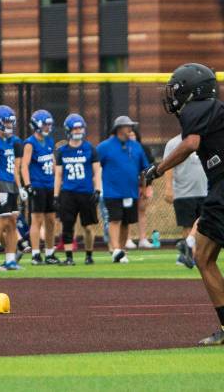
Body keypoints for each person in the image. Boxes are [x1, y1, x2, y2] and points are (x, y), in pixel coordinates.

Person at [144, 63, 224, 345]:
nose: (173, 96)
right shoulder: (215, 109)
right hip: (218, 188)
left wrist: (159, 169)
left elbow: (190, 143)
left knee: (203, 258)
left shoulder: (196, 108)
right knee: (203, 255)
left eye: (176, 89)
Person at [97, 115, 148, 264]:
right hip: (112, 191)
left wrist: (144, 188)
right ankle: (115, 249)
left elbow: (143, 169)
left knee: (126, 222)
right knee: (115, 220)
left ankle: (121, 250)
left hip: (131, 192)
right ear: (119, 129)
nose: (130, 129)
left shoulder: (136, 146)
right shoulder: (105, 146)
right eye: (128, 126)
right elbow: (94, 164)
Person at [53, 113, 102, 266]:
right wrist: (56, 195)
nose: (78, 131)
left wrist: (98, 190)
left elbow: (97, 171)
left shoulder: (90, 149)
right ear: (68, 130)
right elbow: (59, 175)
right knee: (67, 226)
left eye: (80, 127)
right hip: (68, 192)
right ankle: (69, 258)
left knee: (88, 227)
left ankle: (89, 255)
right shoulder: (62, 151)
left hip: (86, 192)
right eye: (75, 128)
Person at [162, 132, 208, 269]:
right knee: (187, 225)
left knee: (203, 227)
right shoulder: (173, 143)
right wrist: (169, 188)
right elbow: (168, 166)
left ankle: (191, 254)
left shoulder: (206, 139)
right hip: (183, 193)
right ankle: (190, 256)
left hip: (205, 191)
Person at [22, 109, 59, 265]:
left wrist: (56, 175)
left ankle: (50, 253)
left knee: (51, 220)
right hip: (37, 185)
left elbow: (53, 161)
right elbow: (24, 165)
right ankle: (36, 254)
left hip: (50, 184)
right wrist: (28, 185)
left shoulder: (49, 141)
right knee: (36, 219)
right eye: (45, 124)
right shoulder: (30, 143)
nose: (47, 127)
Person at [0, 105, 24, 271]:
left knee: (11, 222)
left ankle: (10, 259)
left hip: (11, 184)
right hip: (1, 184)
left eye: (11, 122)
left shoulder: (12, 141)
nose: (9, 125)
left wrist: (20, 186)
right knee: (0, 222)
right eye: (6, 122)